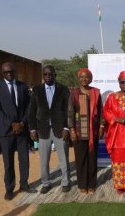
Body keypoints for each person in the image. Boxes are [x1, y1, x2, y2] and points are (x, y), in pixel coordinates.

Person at [0, 62, 33, 201]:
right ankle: (9, 189)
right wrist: (12, 123)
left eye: (11, 71)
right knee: (8, 162)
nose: (9, 74)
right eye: (6, 72)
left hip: (22, 129)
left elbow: (29, 107)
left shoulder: (22, 86)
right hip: (6, 130)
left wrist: (21, 123)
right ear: (2, 73)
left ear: (15, 71)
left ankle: (24, 184)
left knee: (24, 160)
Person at [28, 65, 71, 194]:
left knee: (63, 158)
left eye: (50, 74)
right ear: (43, 76)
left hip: (60, 129)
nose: (48, 76)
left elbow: (68, 110)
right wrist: (32, 129)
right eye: (46, 74)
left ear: (55, 75)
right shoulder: (36, 90)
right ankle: (46, 183)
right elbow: (31, 111)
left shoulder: (63, 89)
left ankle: (66, 182)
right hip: (43, 129)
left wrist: (66, 127)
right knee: (44, 159)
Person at [68, 68, 104, 194]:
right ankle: (82, 184)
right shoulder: (74, 93)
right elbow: (70, 113)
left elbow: (100, 112)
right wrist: (72, 130)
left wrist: (101, 127)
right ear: (79, 78)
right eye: (82, 77)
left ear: (91, 78)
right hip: (79, 132)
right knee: (81, 159)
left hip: (93, 132)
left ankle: (92, 184)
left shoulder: (96, 93)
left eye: (87, 77)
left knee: (92, 159)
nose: (84, 79)